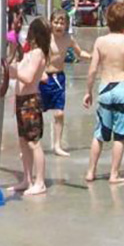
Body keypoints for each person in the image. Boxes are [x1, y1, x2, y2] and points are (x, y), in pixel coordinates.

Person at [82, 1, 124, 184]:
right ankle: (114, 174)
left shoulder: (100, 41)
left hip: (105, 88)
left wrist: (88, 91)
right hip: (122, 87)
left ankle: (91, 171)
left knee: (99, 134)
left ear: (107, 21)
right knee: (120, 136)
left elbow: (92, 70)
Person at [7, 16, 53, 196]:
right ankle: (27, 178)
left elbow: (27, 77)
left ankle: (40, 182)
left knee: (33, 142)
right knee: (23, 142)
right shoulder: (30, 53)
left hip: (30, 102)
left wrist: (13, 71)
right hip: (21, 100)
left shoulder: (38, 53)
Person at [44, 10, 89, 157]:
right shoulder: (45, 37)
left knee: (59, 114)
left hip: (59, 78)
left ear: (67, 25)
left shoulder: (68, 38)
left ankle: (57, 145)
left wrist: (93, 56)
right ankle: (33, 144)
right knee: (37, 112)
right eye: (56, 22)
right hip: (43, 78)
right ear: (51, 23)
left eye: (62, 23)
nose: (58, 25)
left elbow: (79, 53)